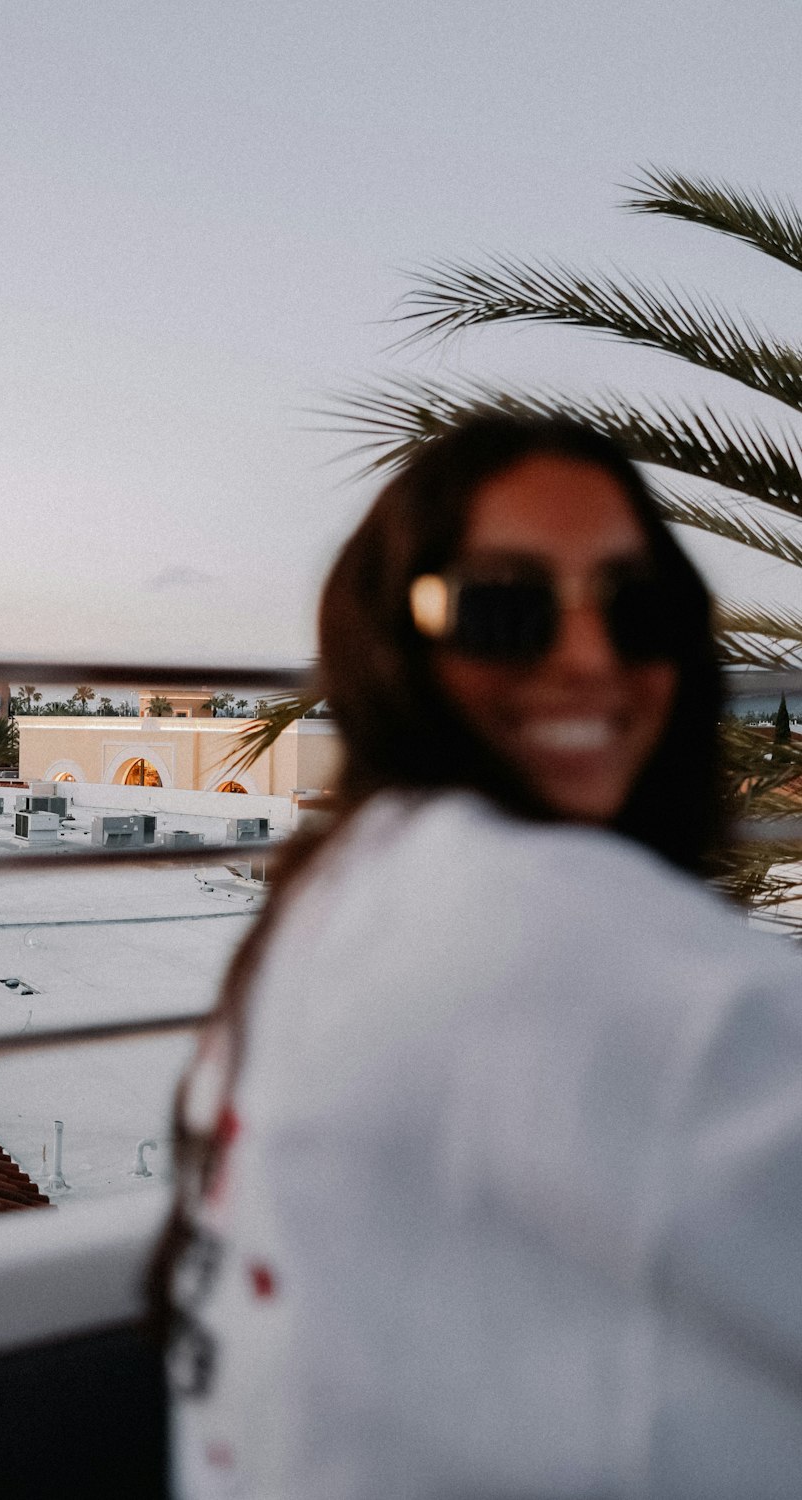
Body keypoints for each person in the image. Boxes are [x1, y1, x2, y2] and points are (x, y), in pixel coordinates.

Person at [148, 416, 802, 1499]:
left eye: (639, 609)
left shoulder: (347, 881)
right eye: (505, 610)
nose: (589, 660)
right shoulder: (554, 934)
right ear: (392, 637)